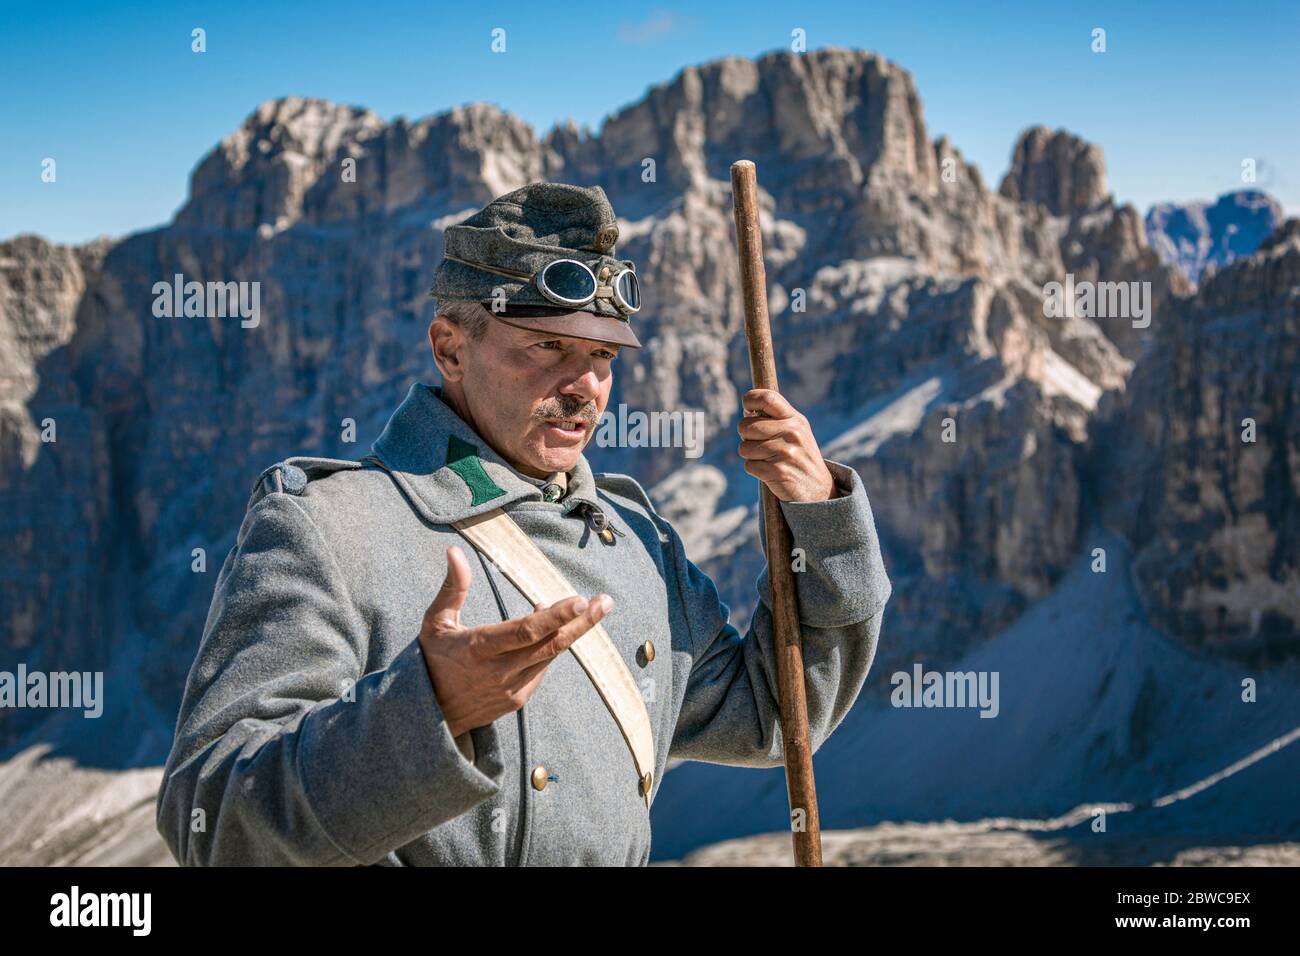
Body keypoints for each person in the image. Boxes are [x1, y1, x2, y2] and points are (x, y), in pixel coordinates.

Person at [156, 182, 892, 865]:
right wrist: (429, 714)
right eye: (547, 346)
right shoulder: (329, 529)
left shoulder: (639, 540)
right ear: (450, 346)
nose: (584, 387)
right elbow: (211, 815)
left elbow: (768, 715)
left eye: (603, 355)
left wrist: (821, 517)